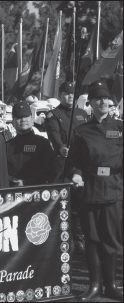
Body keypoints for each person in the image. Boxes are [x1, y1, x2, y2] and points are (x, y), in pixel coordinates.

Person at [66, 80, 123, 301]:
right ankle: (95, 287)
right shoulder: (81, 131)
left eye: (105, 98)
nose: (102, 101)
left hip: (113, 188)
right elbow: (73, 161)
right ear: (90, 103)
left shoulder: (119, 127)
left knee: (110, 239)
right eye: (97, 98)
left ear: (109, 101)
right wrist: (76, 173)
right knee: (92, 238)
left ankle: (112, 286)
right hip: (89, 188)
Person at [45, 81, 88, 254]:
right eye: (67, 93)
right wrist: (61, 146)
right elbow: (54, 135)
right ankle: (61, 239)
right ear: (60, 95)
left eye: (73, 93)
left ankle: (79, 240)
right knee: (63, 204)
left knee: (79, 205)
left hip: (82, 165)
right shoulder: (53, 115)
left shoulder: (82, 113)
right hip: (63, 165)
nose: (70, 96)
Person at [6, 102, 54, 186]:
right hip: (12, 193)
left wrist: (26, 183)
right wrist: (14, 181)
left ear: (32, 119)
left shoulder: (43, 143)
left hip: (38, 193)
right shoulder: (6, 146)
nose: (23, 120)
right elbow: (1, 170)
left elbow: (49, 169)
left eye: (26, 116)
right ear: (13, 120)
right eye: (19, 117)